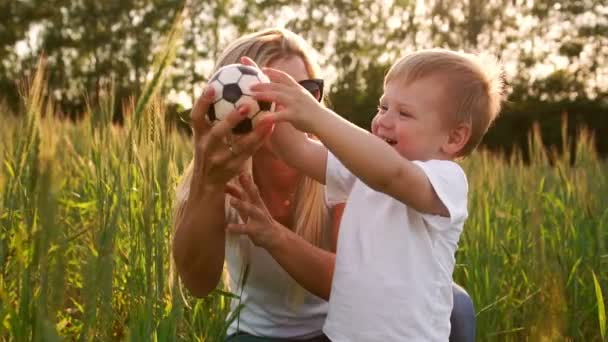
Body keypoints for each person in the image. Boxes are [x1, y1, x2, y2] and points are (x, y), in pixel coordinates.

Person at [227, 49, 504, 341]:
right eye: (383, 107)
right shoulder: (362, 169)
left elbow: (390, 175)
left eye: (404, 113)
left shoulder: (445, 180)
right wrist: (265, 103)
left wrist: (315, 114)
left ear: (453, 138)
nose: (383, 121)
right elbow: (299, 151)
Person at [171, 28, 343, 341]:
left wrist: (273, 236)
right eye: (269, 93)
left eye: (305, 91)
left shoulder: (336, 167)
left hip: (339, 330)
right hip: (255, 334)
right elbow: (198, 283)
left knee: (455, 304)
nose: (289, 106)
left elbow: (350, 284)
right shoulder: (217, 173)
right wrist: (208, 185)